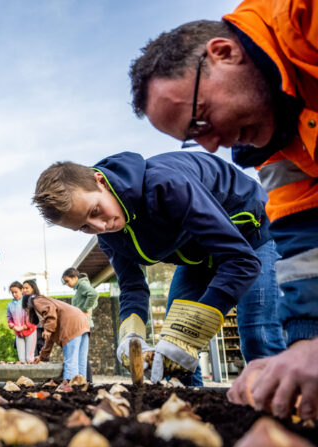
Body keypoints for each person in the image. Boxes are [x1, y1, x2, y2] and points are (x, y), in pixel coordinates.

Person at [129, 2, 318, 415]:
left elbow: (244, 260)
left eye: (201, 119)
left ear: (223, 53)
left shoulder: (305, 18)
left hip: (253, 242)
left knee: (259, 329)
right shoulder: (279, 151)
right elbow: (304, 240)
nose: (213, 146)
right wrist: (308, 341)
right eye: (193, 138)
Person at [33, 150, 285, 385]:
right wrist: (131, 336)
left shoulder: (166, 186)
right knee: (173, 345)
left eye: (95, 211)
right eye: (84, 227)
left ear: (100, 181)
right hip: (198, 254)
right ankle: (188, 414)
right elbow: (132, 286)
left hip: (251, 236)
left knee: (257, 332)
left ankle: (282, 417)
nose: (100, 226)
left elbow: (241, 261)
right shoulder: (109, 236)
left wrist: (191, 331)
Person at [22, 292, 89, 380]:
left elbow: (50, 311)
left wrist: (48, 329)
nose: (27, 314)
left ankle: (70, 389)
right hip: (82, 321)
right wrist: (41, 356)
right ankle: (82, 387)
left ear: (27, 306)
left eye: (26, 311)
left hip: (71, 324)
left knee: (71, 361)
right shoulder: (49, 315)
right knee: (81, 361)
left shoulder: (36, 300)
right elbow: (50, 338)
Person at [63, 267, 97, 380]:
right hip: (85, 325)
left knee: (76, 358)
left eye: (67, 281)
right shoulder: (82, 286)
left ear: (75, 277)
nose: (67, 284)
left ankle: (72, 383)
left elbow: (93, 294)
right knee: (81, 359)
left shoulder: (82, 285)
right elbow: (94, 299)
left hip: (81, 325)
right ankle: (81, 383)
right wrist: (88, 309)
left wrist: (85, 308)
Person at [6, 281, 37, 363]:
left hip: (30, 332)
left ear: (21, 290)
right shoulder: (10, 305)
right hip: (18, 334)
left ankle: (33, 375)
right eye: (12, 292)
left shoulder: (28, 301)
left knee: (29, 358)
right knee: (22, 359)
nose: (14, 294)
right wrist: (12, 325)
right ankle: (24, 375)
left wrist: (23, 327)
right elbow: (9, 317)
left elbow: (33, 317)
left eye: (16, 292)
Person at [22, 279, 43, 359]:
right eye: (23, 288)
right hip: (28, 328)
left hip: (39, 327)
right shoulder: (24, 299)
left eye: (27, 288)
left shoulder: (36, 298)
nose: (24, 290)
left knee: (39, 348)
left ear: (33, 288)